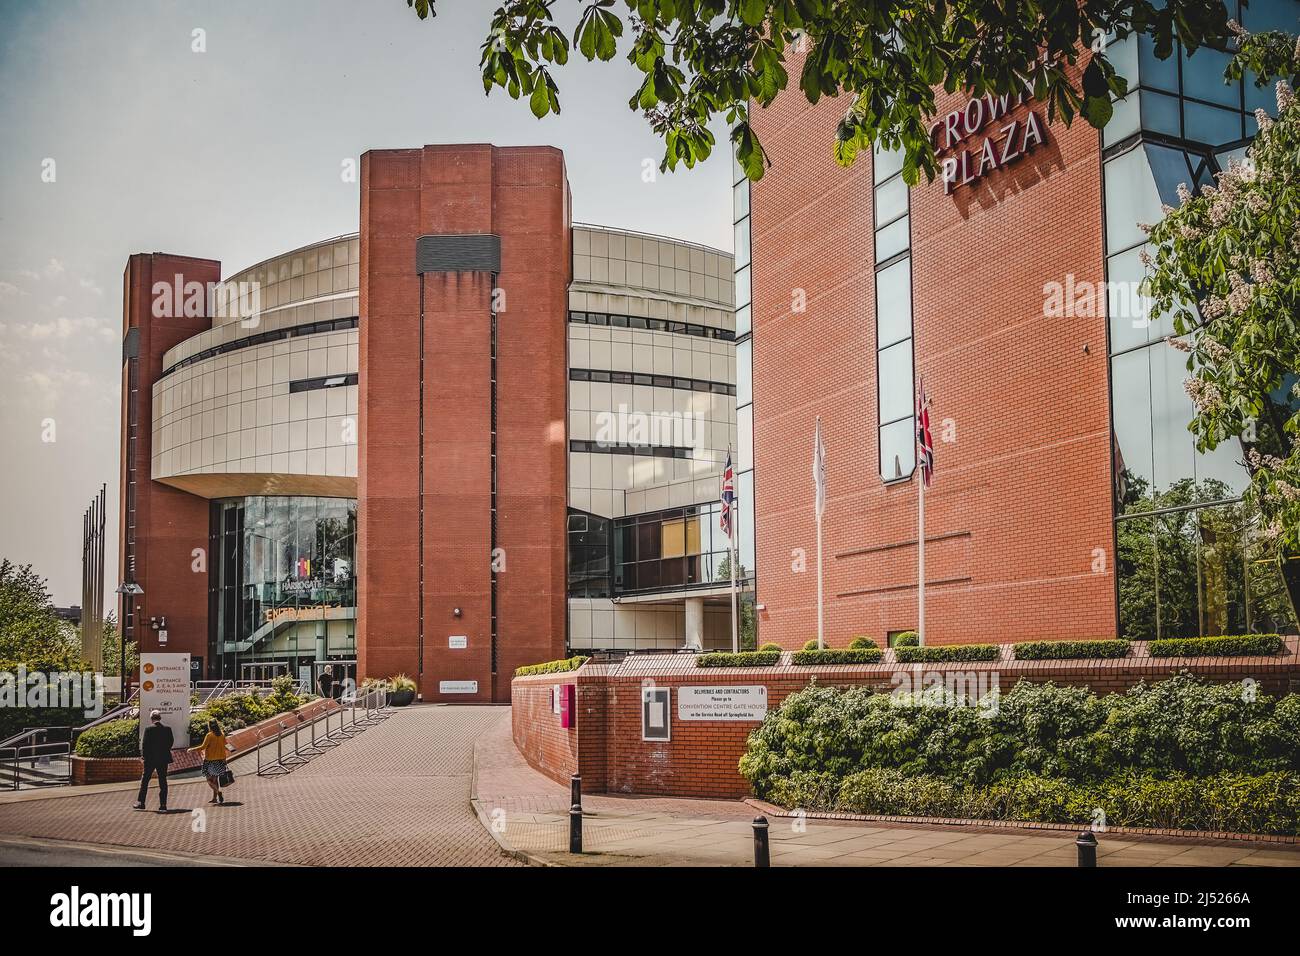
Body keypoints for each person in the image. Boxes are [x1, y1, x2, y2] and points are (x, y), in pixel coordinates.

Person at [133, 710, 173, 813]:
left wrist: (144, 757)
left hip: (150, 759)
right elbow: (170, 742)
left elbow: (145, 745)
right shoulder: (167, 729)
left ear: (152, 718)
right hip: (163, 759)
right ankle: (163, 805)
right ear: (160, 718)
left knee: (145, 780)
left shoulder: (148, 729)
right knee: (163, 781)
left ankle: (141, 803)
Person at [190, 719, 234, 805]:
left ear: (209, 726)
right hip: (221, 760)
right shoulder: (221, 734)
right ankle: (214, 798)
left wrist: (192, 749)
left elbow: (203, 747)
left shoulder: (209, 735)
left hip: (210, 761)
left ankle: (218, 792)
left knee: (209, 780)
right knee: (215, 779)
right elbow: (225, 745)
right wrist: (231, 750)